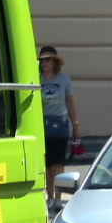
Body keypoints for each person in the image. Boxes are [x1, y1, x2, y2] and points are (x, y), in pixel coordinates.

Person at [38, 45, 78, 209]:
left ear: (54, 62)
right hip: (42, 125)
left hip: (60, 124)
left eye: (48, 59)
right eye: (42, 60)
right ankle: (50, 196)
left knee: (59, 164)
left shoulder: (64, 80)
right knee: (47, 164)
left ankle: (58, 197)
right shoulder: (36, 79)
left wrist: (76, 126)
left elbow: (70, 103)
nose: (44, 63)